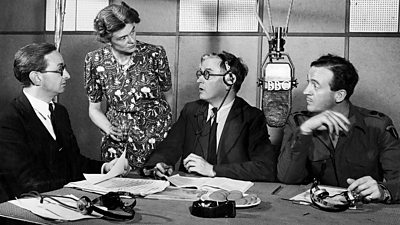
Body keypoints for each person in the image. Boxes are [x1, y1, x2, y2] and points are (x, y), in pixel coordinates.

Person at [0, 43, 130, 203]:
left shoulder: (60, 112)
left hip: (65, 201)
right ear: (36, 77)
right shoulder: (9, 119)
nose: (67, 75)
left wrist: (106, 168)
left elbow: (74, 162)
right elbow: (25, 182)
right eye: (60, 70)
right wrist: (76, 187)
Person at [277, 54, 400, 203]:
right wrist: (305, 132)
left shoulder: (378, 126)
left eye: (315, 85)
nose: (306, 91)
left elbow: (398, 179)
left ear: (339, 95)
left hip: (364, 213)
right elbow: (287, 178)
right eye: (308, 82)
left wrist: (383, 190)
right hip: (313, 211)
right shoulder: (298, 123)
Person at [143, 51, 277, 181]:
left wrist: (213, 170)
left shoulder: (251, 117)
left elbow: (266, 168)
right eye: (200, 74)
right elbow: (168, 148)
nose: (199, 80)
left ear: (230, 79)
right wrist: (159, 164)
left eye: (207, 74)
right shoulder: (190, 111)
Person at [84, 2, 173, 172]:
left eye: (132, 31)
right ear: (107, 39)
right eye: (122, 37)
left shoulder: (155, 54)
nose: (131, 40)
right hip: (116, 140)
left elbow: (168, 95)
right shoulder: (94, 60)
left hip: (155, 138)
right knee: (117, 191)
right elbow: (93, 109)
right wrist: (109, 129)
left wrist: (164, 128)